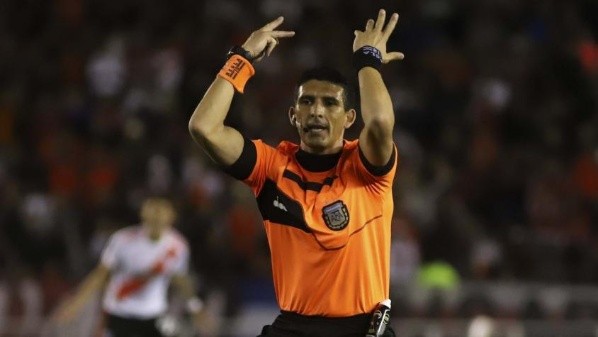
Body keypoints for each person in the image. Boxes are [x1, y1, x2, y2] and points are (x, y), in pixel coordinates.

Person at [188, 8, 403, 337]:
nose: (317, 110)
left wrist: (367, 59)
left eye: (330, 103)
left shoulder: (367, 170)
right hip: (294, 328)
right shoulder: (271, 168)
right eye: (307, 102)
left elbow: (380, 122)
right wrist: (242, 57)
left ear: (348, 118)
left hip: (361, 329)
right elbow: (204, 127)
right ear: (293, 115)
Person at [53, 197, 207, 337]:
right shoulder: (122, 240)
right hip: (119, 314)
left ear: (171, 217)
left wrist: (195, 307)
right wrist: (76, 303)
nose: (157, 218)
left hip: (153, 315)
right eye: (153, 213)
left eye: (161, 214)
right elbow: (100, 275)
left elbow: (180, 278)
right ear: (143, 215)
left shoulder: (178, 246)